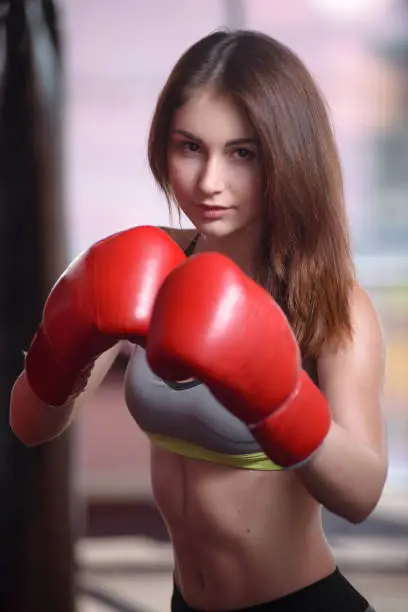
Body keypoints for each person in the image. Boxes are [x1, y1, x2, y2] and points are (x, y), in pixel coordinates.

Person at [9, 29, 386, 611]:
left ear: (288, 155)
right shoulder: (144, 266)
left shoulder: (328, 301)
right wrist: (61, 350)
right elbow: (33, 427)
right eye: (190, 147)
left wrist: (281, 402)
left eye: (243, 153)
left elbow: (361, 494)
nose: (210, 181)